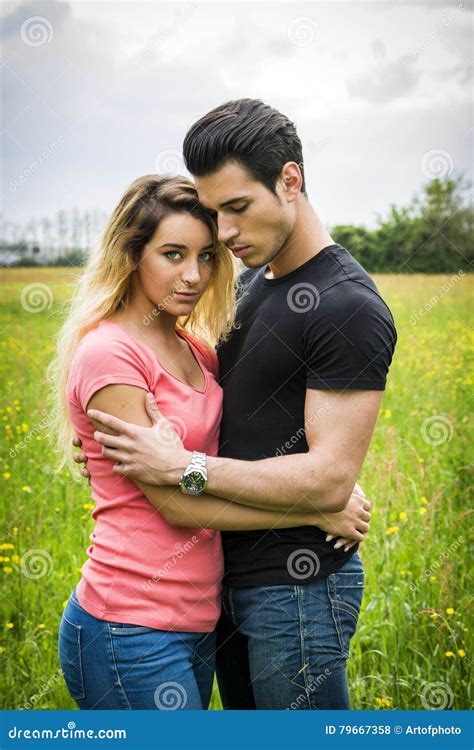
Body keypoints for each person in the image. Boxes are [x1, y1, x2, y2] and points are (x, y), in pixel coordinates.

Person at [74, 100, 397, 711]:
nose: (222, 234)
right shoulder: (249, 283)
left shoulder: (346, 305)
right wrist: (102, 441)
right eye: (214, 212)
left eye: (238, 209)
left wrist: (183, 467)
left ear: (290, 181)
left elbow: (329, 477)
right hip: (218, 586)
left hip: (296, 587)